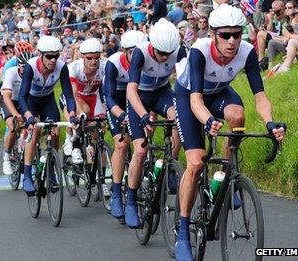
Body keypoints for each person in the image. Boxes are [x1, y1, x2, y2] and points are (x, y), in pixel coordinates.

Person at [173, 5, 286, 260]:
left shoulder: (246, 52)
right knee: (195, 163)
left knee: (237, 115)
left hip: (219, 93)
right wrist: (208, 121)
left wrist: (270, 122)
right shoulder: (200, 51)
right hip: (190, 97)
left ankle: (223, 176)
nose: (232, 40)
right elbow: (195, 102)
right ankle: (182, 229)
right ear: (213, 34)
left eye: (236, 34)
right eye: (225, 35)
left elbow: (260, 96)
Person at [125, 18, 185, 228]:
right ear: (152, 45)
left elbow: (186, 84)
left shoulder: (178, 50)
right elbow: (130, 90)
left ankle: (171, 164)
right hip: (139, 96)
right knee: (140, 151)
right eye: (160, 53)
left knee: (178, 119)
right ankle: (131, 200)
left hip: (162, 93)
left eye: (168, 54)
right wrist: (142, 114)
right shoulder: (140, 52)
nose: (164, 58)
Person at [18, 36, 77, 195]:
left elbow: (69, 95)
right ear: (40, 55)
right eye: (49, 56)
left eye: (56, 56)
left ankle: (51, 169)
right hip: (30, 102)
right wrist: (29, 116)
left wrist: (72, 115)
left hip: (47, 100)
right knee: (35, 130)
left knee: (56, 131)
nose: (53, 60)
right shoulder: (31, 66)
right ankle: (27, 175)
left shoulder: (61, 67)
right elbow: (22, 96)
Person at [102, 30, 147, 220]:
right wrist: (120, 114)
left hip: (135, 98)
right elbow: (109, 97)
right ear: (124, 51)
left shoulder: (146, 62)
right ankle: (115, 192)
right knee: (121, 144)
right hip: (116, 100)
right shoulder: (113, 63)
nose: (136, 56)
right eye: (132, 52)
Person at [61, 38, 106, 164]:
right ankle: (71, 139)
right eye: (90, 58)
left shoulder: (105, 66)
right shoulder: (74, 67)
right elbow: (73, 95)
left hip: (93, 96)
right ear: (82, 56)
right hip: (75, 96)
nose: (94, 61)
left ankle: (98, 176)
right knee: (83, 113)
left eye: (97, 58)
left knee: (100, 130)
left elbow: (107, 92)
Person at [1, 51, 31, 175]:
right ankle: (6, 157)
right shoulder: (11, 72)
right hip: (9, 100)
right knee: (13, 127)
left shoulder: (32, 72)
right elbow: (6, 97)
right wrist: (15, 114)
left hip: (24, 100)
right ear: (18, 65)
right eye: (23, 66)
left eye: (28, 66)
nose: (26, 69)